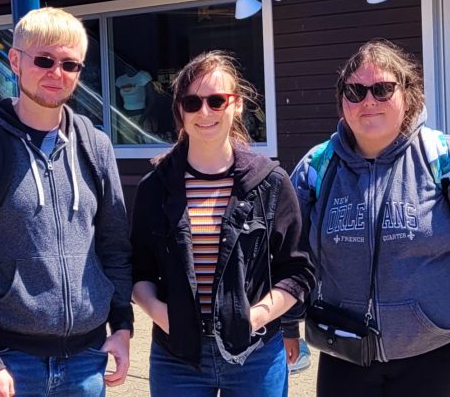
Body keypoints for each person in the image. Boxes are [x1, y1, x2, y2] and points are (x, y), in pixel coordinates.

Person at [285, 39, 450, 397]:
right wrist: (289, 323)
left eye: (382, 89)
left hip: (433, 347)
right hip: (344, 342)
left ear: (408, 94)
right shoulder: (316, 168)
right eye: (355, 90)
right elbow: (292, 256)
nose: (368, 100)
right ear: (342, 101)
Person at [0, 7, 133, 397]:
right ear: (15, 61)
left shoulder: (96, 147)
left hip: (87, 363)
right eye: (44, 60)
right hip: (9, 363)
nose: (56, 73)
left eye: (70, 64)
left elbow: (115, 246)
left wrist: (122, 326)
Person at [130, 50, 314, 397]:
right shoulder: (156, 187)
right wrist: (161, 315)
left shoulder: (270, 183)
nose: (205, 112)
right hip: (177, 355)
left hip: (255, 354)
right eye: (192, 102)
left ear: (237, 104)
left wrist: (255, 317)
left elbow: (298, 271)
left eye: (217, 100)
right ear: (179, 110)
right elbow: (138, 270)